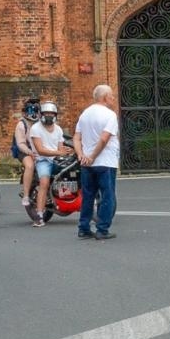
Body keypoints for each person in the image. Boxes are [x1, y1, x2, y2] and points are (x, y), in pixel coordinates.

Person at [74, 84, 120, 241]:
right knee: (107, 196)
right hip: (105, 161)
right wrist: (93, 156)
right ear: (105, 97)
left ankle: (83, 228)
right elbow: (104, 139)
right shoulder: (110, 115)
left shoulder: (85, 114)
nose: (113, 98)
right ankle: (102, 229)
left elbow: (76, 137)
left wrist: (81, 155)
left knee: (88, 196)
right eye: (111, 95)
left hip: (86, 163)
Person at [26, 102, 69, 228]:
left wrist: (65, 152)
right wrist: (59, 152)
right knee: (44, 183)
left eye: (51, 113)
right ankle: (39, 215)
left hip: (56, 160)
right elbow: (40, 150)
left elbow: (60, 148)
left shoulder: (58, 129)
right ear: (41, 115)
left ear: (55, 115)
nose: (49, 115)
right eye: (46, 113)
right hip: (43, 160)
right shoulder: (36, 128)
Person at [10, 98, 40, 215]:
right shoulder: (21, 125)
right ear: (24, 112)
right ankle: (26, 195)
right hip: (24, 150)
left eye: (35, 110)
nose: (33, 113)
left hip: (38, 149)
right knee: (30, 165)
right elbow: (21, 143)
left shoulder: (41, 123)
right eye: (30, 110)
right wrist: (30, 152)